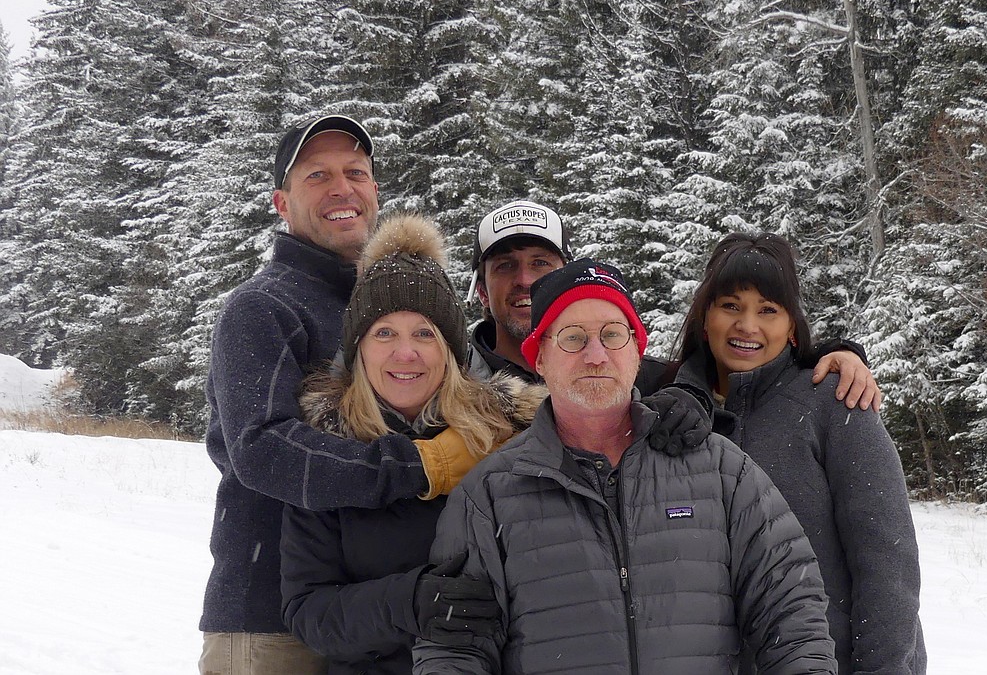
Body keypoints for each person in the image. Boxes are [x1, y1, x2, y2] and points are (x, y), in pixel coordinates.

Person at [413, 258, 838, 674]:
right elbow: (454, 649)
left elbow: (792, 615)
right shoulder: (489, 494)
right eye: (573, 338)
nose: (596, 355)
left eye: (613, 335)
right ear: (539, 358)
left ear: (637, 351)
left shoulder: (722, 470)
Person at [200, 116, 487, 675]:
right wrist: (422, 465)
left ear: (375, 191)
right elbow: (260, 449)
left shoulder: (393, 300)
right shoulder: (262, 307)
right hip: (268, 623)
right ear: (282, 202)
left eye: (355, 172)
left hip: (375, 618)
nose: (341, 188)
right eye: (317, 176)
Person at [280, 214, 547, 674]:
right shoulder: (327, 450)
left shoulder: (511, 434)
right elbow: (309, 612)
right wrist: (406, 602)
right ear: (358, 349)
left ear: (451, 349)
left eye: (425, 333)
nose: (406, 353)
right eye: (384, 333)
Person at [667, 232, 927, 674]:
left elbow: (888, 564)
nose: (747, 325)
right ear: (705, 317)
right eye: (730, 305)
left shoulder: (834, 403)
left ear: (791, 327)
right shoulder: (671, 412)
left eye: (768, 310)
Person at [465, 199, 882, 409]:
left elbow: (727, 368)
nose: (525, 280)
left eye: (541, 263)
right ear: (481, 289)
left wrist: (835, 354)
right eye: (505, 266)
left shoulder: (642, 378)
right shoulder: (454, 383)